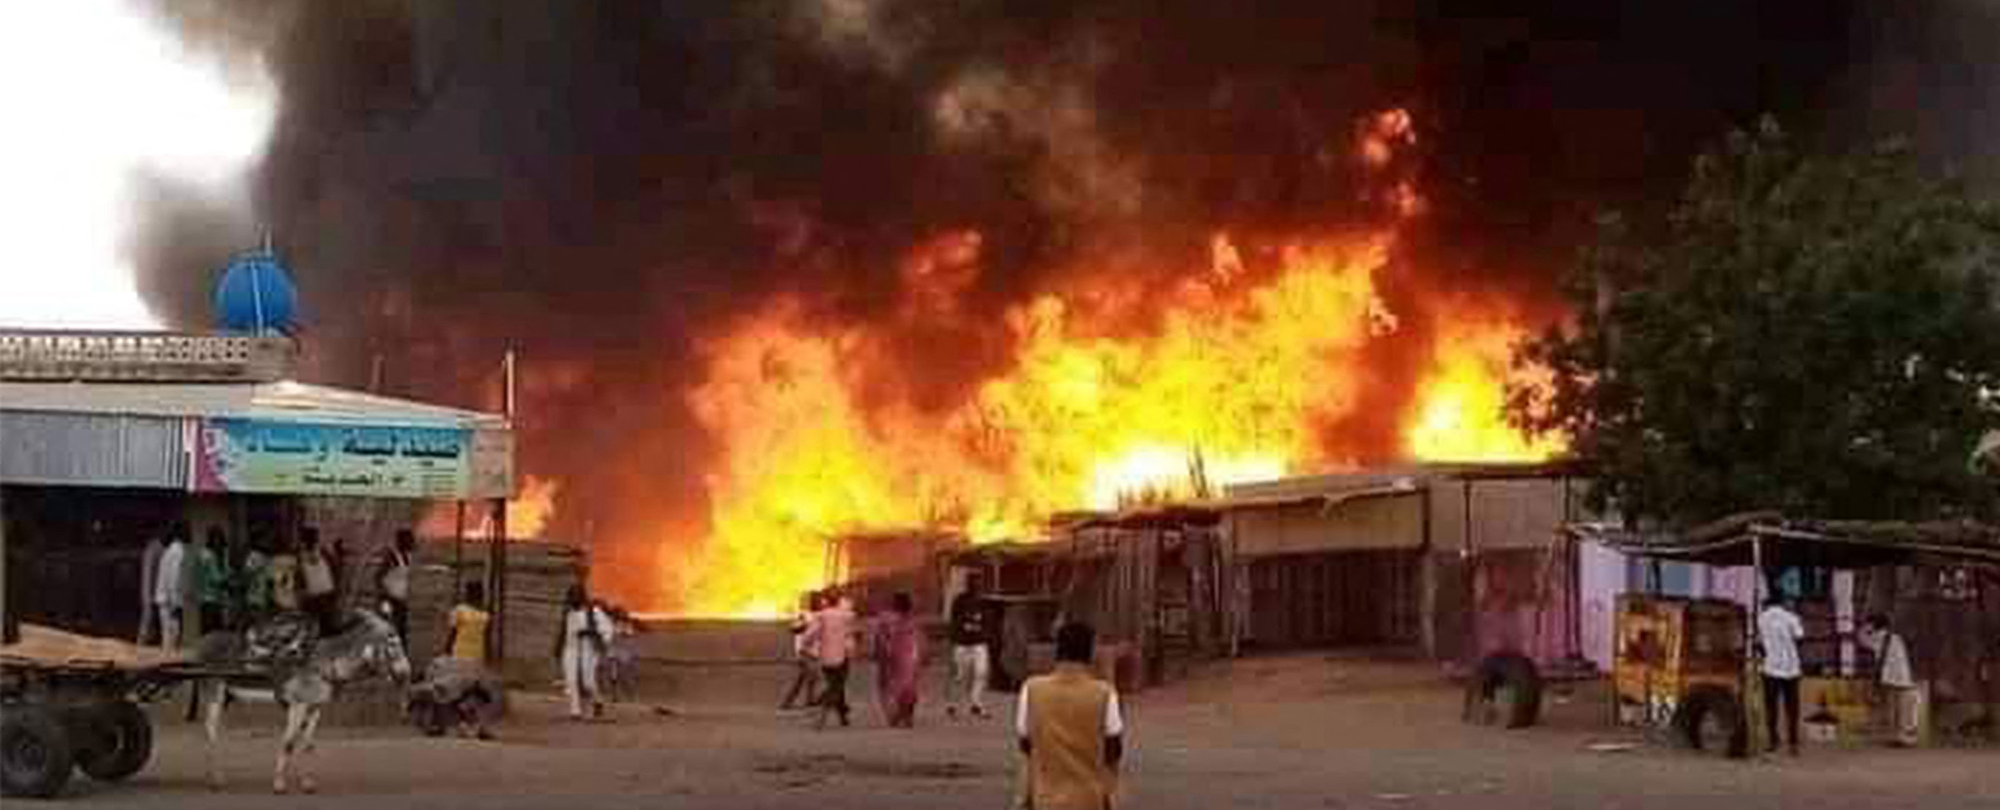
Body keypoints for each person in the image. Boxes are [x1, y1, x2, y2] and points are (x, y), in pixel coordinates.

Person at [1016, 622, 1125, 810]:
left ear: (1058, 651)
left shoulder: (1032, 689)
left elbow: (1026, 745)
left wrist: (1022, 797)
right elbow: (1113, 750)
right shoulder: (1105, 693)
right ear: (1090, 653)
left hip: (1045, 798)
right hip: (1089, 798)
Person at [437, 581, 496, 740]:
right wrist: (489, 659)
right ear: (481, 594)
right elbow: (488, 641)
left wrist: (446, 652)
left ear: (466, 593)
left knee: (459, 692)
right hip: (476, 658)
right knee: (480, 694)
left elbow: (452, 635)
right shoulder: (485, 615)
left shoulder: (459, 611)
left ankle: (464, 725)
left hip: (460, 656)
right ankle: (480, 727)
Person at [556, 585, 615, 721]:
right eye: (570, 597)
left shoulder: (593, 611)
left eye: (575, 597)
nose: (572, 600)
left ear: (581, 597)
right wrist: (558, 648)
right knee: (571, 680)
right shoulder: (567, 611)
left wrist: (590, 633)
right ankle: (575, 711)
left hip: (588, 648)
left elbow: (608, 630)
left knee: (588, 681)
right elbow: (563, 630)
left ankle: (598, 700)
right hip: (570, 647)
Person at [1861, 614, 1921, 747]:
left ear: (1874, 625)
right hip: (1903, 677)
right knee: (1901, 709)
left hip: (1890, 677)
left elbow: (1862, 640)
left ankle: (1896, 736)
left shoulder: (1877, 637)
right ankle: (1902, 737)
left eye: (1869, 623)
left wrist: (1865, 629)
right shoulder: (1896, 637)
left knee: (1892, 708)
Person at [801, 591, 858, 727]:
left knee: (836, 685)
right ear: (838, 602)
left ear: (826, 602)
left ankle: (843, 716)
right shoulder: (847, 616)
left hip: (825, 657)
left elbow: (811, 634)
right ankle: (823, 710)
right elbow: (849, 636)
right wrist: (852, 651)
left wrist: (806, 646)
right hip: (842, 656)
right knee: (837, 686)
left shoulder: (821, 616)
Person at [1758, 596, 1806, 756]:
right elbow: (1800, 638)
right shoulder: (1792, 617)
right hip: (1791, 669)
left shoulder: (1761, 618)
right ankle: (1793, 743)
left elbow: (1759, 643)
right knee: (1792, 707)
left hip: (1770, 668)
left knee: (1771, 707)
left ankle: (1773, 740)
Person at [947, 573, 996, 719]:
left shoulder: (983, 601)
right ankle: (952, 705)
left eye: (979, 582)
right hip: (962, 643)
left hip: (979, 643)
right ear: (968, 584)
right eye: (973, 582)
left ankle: (976, 704)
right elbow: (953, 621)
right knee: (959, 676)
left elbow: (988, 620)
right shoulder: (959, 600)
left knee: (981, 673)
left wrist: (985, 633)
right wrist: (959, 632)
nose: (976, 585)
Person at [873, 592, 924, 728]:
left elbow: (880, 638)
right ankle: (905, 716)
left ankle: (897, 716)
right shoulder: (911, 620)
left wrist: (879, 653)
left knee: (890, 688)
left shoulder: (885, 618)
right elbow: (918, 640)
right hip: (909, 657)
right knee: (908, 688)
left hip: (894, 657)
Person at [780, 591, 826, 710]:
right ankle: (791, 702)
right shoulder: (805, 615)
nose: (821, 602)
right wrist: (805, 626)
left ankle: (797, 701)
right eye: (818, 600)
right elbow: (793, 629)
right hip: (805, 652)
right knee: (809, 676)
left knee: (805, 677)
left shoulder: (818, 615)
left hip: (812, 651)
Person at [376, 529, 417, 642]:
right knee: (388, 631)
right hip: (389, 599)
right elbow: (378, 577)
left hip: (401, 599)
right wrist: (384, 596)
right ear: (402, 542)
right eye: (410, 541)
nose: (413, 543)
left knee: (401, 631)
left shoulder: (408, 557)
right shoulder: (392, 557)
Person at [154, 524, 190, 650]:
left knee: (167, 637)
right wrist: (175, 603)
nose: (190, 533)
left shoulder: (169, 550)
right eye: (188, 530)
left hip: (164, 599)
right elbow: (173, 578)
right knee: (172, 638)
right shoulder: (178, 551)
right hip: (170, 601)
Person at [299, 528, 339, 634]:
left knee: (324, 611)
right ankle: (321, 630)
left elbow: (332, 564)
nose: (313, 540)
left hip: (323, 585)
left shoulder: (320, 550)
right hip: (316, 587)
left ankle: (326, 629)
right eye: (312, 538)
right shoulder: (302, 553)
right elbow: (332, 563)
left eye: (313, 538)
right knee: (316, 611)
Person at [194, 527, 231, 634]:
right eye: (216, 539)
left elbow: (226, 572)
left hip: (219, 600)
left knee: (218, 630)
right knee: (209, 630)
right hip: (208, 599)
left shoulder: (222, 554)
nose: (218, 543)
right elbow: (215, 578)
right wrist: (227, 581)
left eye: (220, 539)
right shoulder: (206, 555)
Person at [138, 533, 164, 645]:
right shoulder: (154, 549)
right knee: (148, 619)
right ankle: (142, 643)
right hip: (152, 592)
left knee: (150, 620)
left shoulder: (154, 549)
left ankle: (143, 642)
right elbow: (149, 574)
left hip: (152, 591)